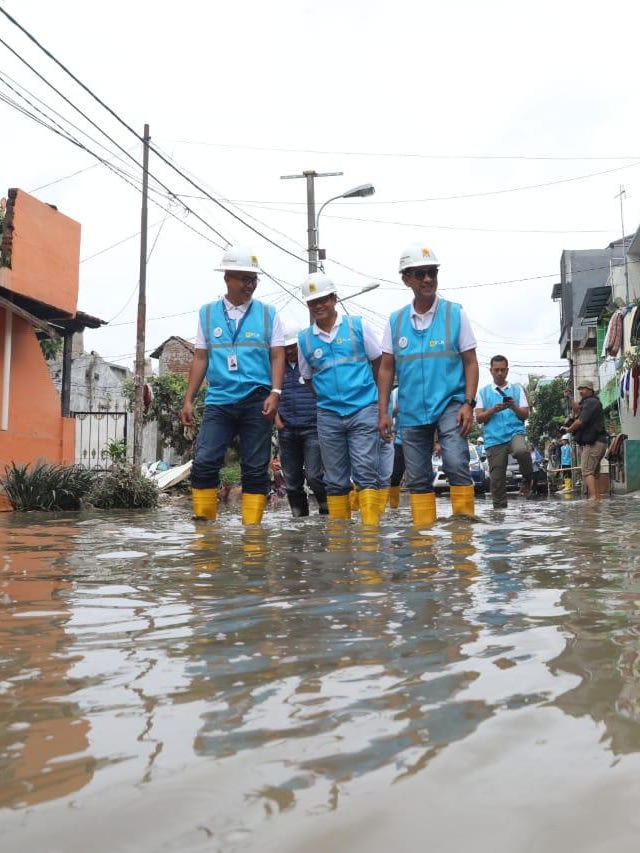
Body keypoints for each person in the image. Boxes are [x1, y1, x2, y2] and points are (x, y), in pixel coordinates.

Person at [181, 246, 285, 524]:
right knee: (204, 463)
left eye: (253, 280)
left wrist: (276, 392)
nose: (250, 285)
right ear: (227, 278)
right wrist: (189, 399)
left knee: (254, 468)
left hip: (257, 399)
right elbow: (201, 357)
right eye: (244, 279)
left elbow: (277, 355)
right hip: (219, 400)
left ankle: (252, 536)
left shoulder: (268, 314)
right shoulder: (207, 313)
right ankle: (204, 531)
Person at [377, 243, 479, 526]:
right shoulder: (396, 321)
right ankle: (423, 545)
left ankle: (463, 538)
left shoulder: (454, 313)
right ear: (406, 279)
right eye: (420, 274)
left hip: (451, 404)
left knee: (457, 464)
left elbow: (471, 362)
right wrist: (383, 411)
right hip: (410, 410)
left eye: (432, 273)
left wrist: (469, 404)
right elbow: (386, 369)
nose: (427, 280)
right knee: (418, 476)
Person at [297, 272, 383, 525]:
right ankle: (340, 540)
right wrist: (327, 400)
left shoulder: (358, 326)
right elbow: (308, 378)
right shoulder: (304, 339)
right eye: (313, 302)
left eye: (323, 299)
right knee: (334, 479)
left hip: (363, 409)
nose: (319, 305)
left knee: (366, 472)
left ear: (334, 298)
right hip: (329, 415)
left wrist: (376, 400)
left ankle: (370, 536)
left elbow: (379, 362)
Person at [274, 327, 328, 517]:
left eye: (293, 347)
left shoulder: (311, 364)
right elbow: (268, 392)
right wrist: (276, 419)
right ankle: (299, 518)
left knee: (314, 476)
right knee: (291, 480)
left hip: (312, 428)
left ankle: (326, 509)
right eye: (285, 348)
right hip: (287, 430)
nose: (289, 351)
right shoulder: (276, 367)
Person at [475, 355, 533, 508]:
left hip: (515, 432)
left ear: (507, 370)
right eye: (496, 370)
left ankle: (528, 478)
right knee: (497, 479)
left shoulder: (517, 389)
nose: (500, 373)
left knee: (521, 451)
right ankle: (499, 514)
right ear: (491, 371)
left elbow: (525, 414)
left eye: (502, 370)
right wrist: (493, 410)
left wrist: (513, 406)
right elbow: (479, 418)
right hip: (494, 438)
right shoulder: (483, 392)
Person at [564, 380, 608, 501]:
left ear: (590, 390)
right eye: (580, 389)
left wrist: (568, 430)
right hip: (600, 442)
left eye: (583, 389)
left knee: (587, 471)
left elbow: (579, 421)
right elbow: (577, 409)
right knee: (594, 473)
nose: (581, 391)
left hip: (594, 443)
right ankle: (597, 499)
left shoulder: (591, 402)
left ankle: (593, 499)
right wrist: (569, 397)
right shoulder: (589, 403)